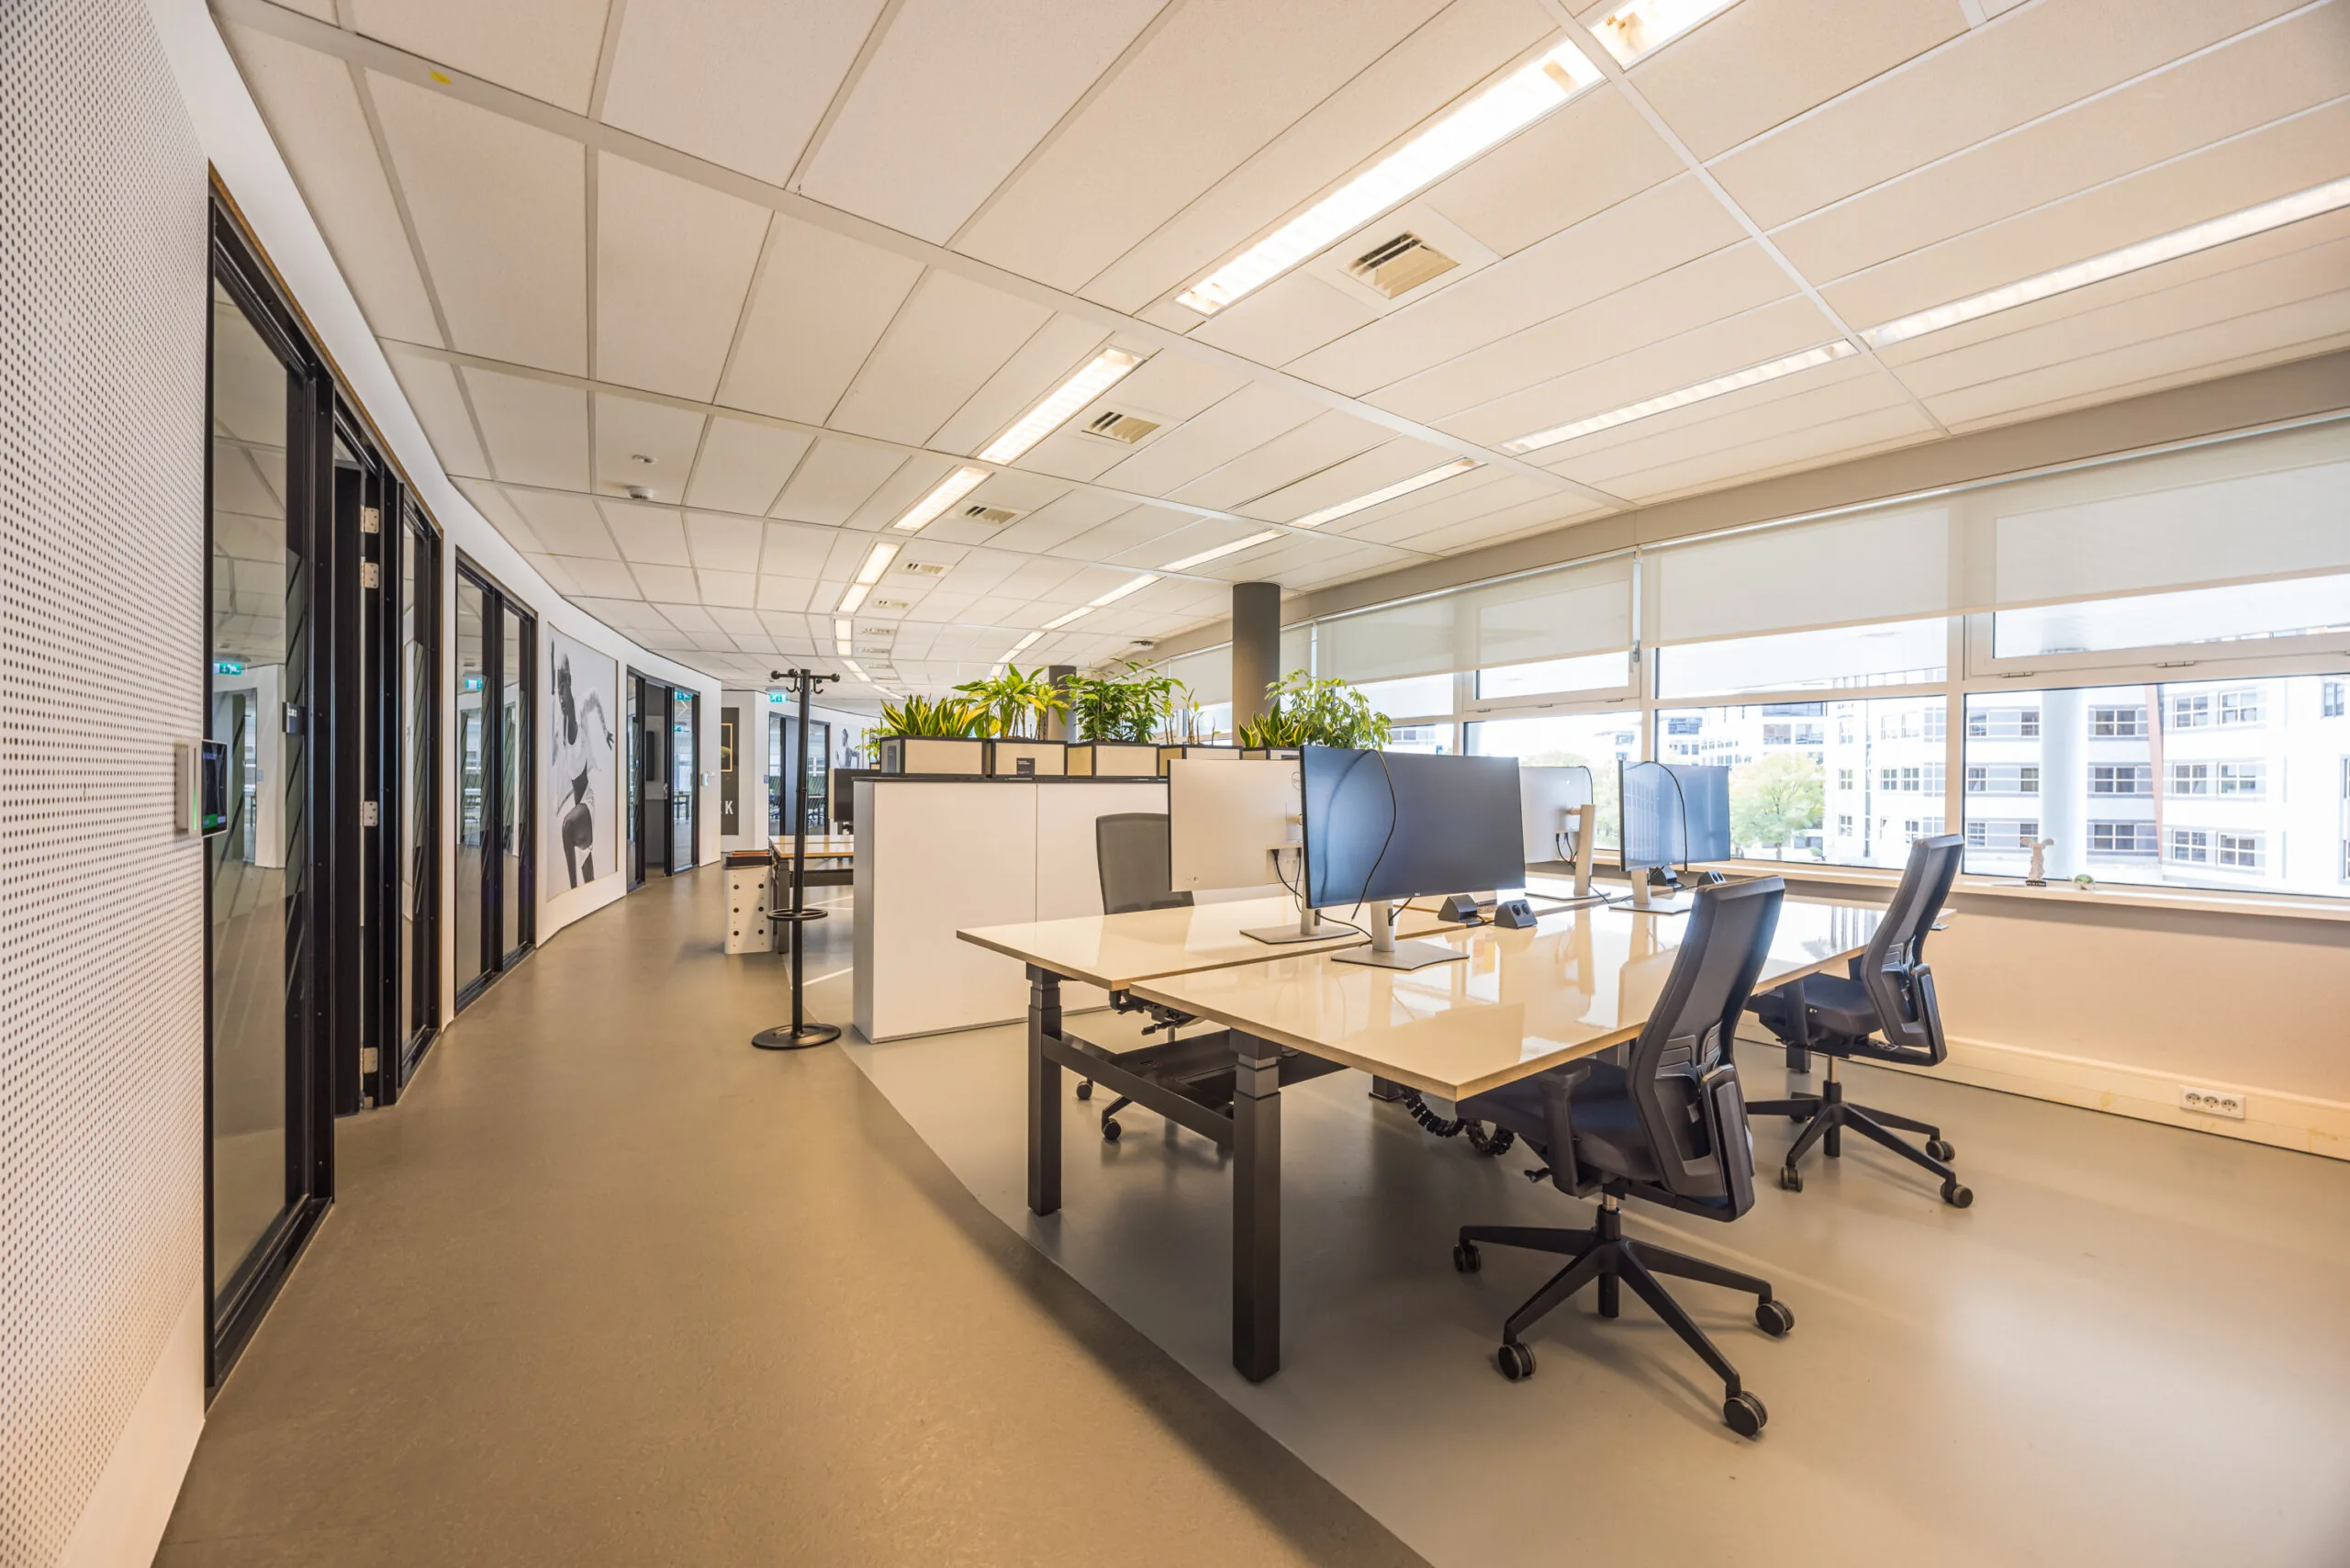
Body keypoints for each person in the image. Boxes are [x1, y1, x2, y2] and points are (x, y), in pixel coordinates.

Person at [553, 653, 615, 887]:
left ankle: (572, 891)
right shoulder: (562, 730)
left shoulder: (574, 724)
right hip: (579, 803)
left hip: (587, 801)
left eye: (563, 689)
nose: (561, 698)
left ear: (569, 684)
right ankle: (584, 894)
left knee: (567, 827)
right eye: (559, 693)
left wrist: (605, 728)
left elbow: (595, 698)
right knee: (588, 870)